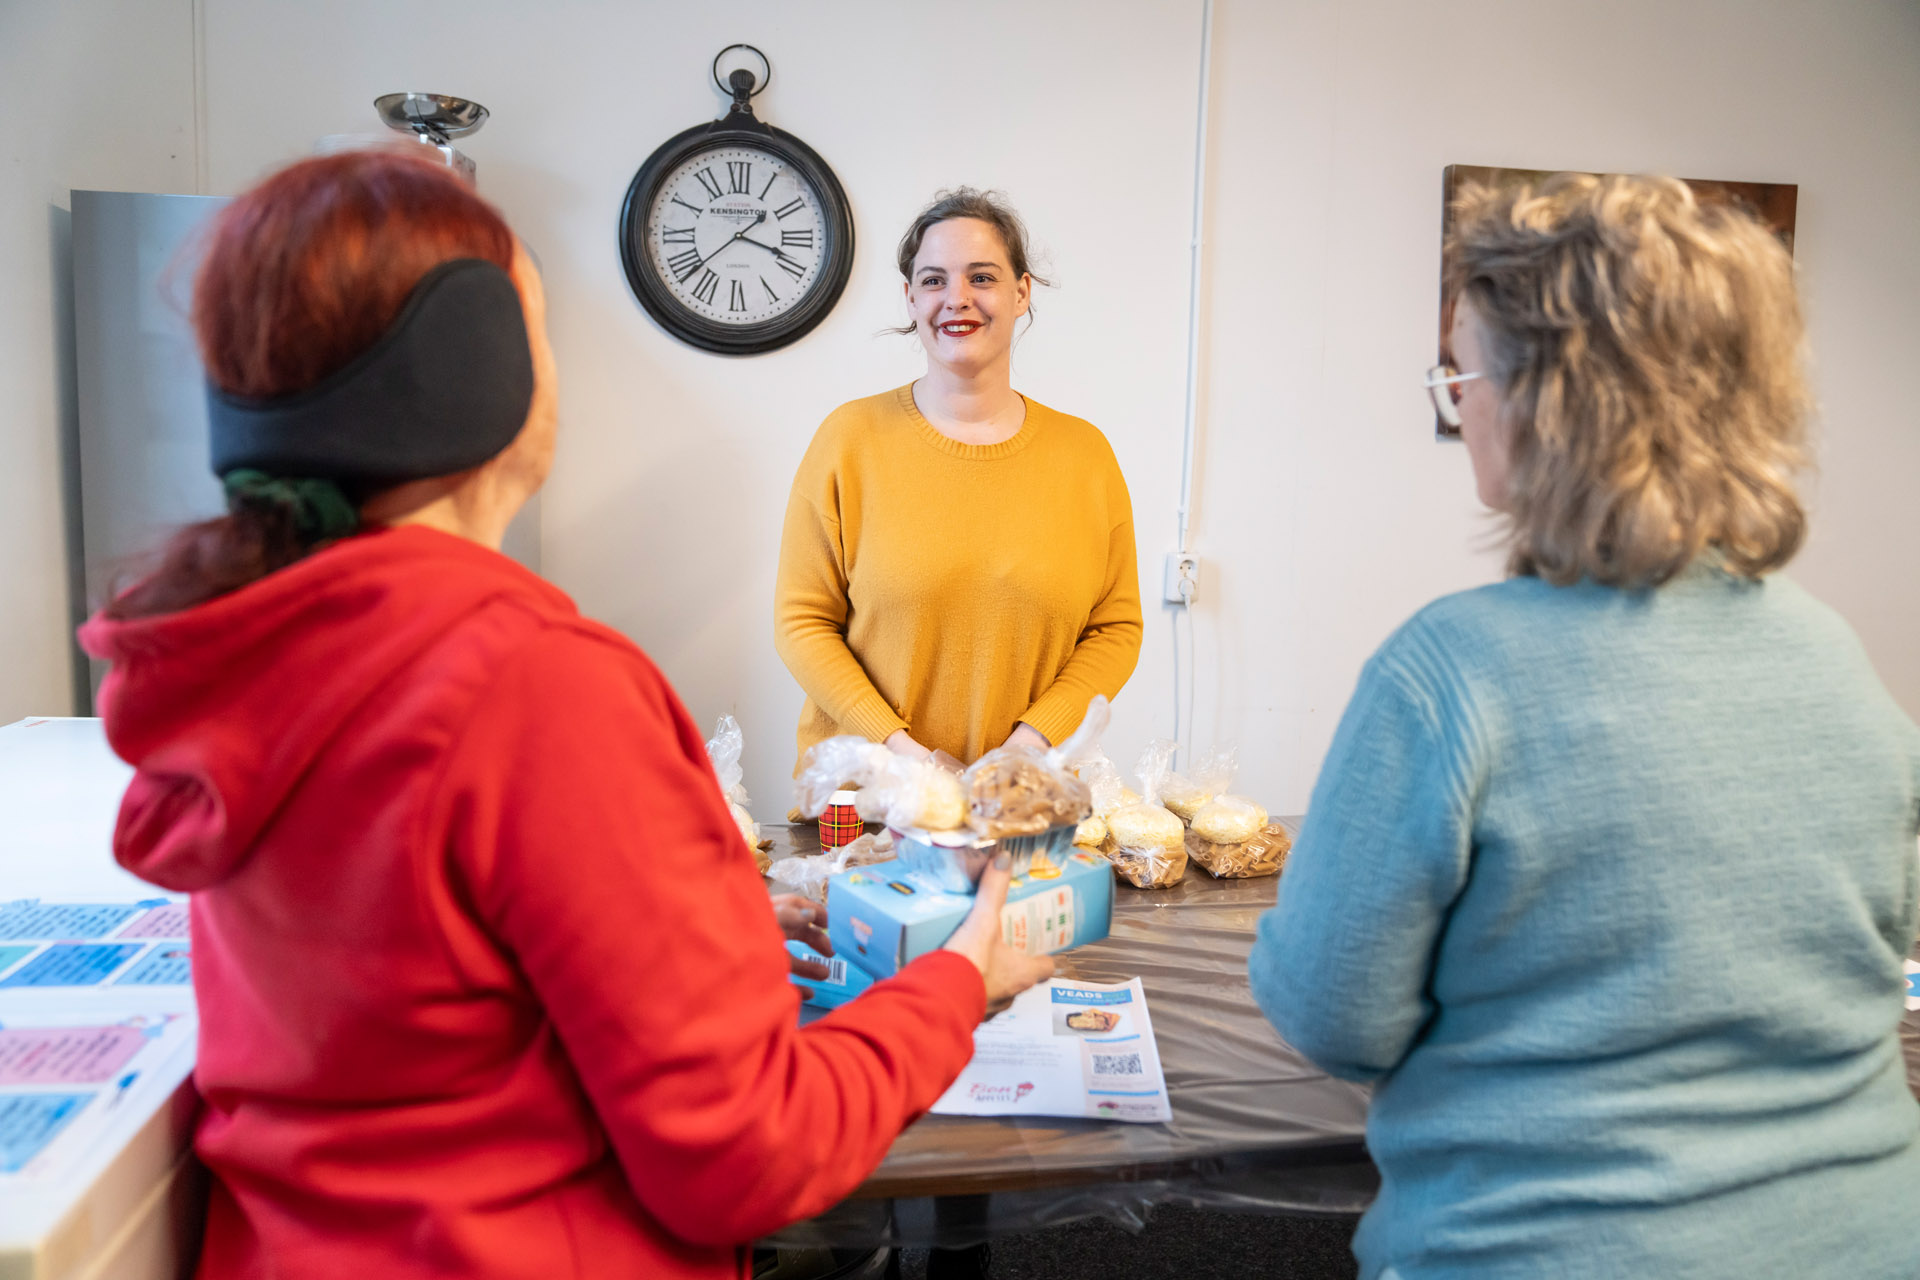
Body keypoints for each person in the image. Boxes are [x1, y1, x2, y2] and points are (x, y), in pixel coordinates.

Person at [78, 149, 1052, 1280]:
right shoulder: (536, 687)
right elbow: (751, 1153)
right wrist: (957, 983)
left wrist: (709, 915)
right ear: (472, 365)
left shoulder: (247, 657)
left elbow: (420, 965)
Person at [1248, 173, 1920, 1279]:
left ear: (1545, 401)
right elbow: (1876, 953)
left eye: (1462, 369)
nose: (1457, 401)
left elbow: (1334, 1017)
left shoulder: (1446, 673)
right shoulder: (1838, 656)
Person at [774, 188, 1142, 778]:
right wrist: (903, 753)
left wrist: (1031, 743)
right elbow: (802, 621)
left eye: (982, 277)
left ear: (1022, 292)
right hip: (866, 801)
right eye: (934, 280)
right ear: (910, 297)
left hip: (1023, 799)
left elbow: (1115, 628)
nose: (957, 299)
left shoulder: (1085, 455)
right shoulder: (848, 440)